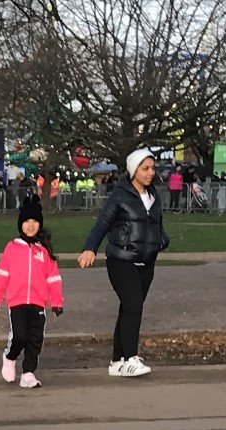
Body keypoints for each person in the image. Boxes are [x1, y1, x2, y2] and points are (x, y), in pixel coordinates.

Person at [78, 146, 167, 378]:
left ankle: (117, 361)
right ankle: (130, 358)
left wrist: (161, 240)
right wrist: (90, 248)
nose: (150, 173)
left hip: (146, 262)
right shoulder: (120, 195)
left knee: (128, 308)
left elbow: (156, 224)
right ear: (133, 170)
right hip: (121, 259)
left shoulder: (153, 196)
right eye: (145, 168)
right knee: (133, 306)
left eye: (152, 168)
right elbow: (102, 223)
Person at [0, 196, 62, 388]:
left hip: (38, 302)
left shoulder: (44, 251)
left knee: (35, 339)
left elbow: (53, 278)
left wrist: (57, 302)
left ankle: (28, 372)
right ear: (21, 225)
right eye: (27, 222)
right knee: (20, 336)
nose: (31, 225)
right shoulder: (12, 248)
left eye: (35, 222)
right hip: (17, 302)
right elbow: (2, 275)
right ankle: (10, 357)